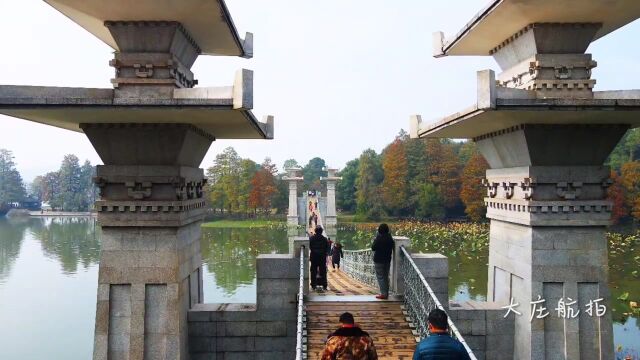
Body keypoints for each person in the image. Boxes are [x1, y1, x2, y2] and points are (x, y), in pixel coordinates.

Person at [371, 223, 394, 299]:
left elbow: (373, 248)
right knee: (385, 276)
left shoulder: (379, 238)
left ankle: (383, 294)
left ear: (379, 230)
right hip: (387, 260)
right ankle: (386, 293)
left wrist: (376, 239)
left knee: (380, 277)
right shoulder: (390, 238)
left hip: (379, 260)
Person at [309, 225, 329, 291]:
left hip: (314, 257)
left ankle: (313, 285)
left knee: (313, 271)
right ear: (322, 231)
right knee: (323, 271)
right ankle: (324, 285)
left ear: (315, 231)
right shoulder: (325, 239)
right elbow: (327, 249)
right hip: (322, 258)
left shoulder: (311, 238)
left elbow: (310, 247)